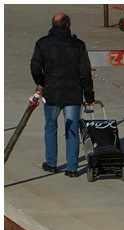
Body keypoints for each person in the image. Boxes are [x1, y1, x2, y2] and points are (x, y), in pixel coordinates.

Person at [30, 12, 95, 177]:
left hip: (51, 92)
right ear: (68, 25)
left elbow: (35, 67)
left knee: (51, 126)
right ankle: (72, 168)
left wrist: (42, 83)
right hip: (73, 92)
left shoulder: (42, 43)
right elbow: (85, 72)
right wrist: (89, 96)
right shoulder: (78, 44)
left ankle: (51, 163)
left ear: (53, 25)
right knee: (71, 129)